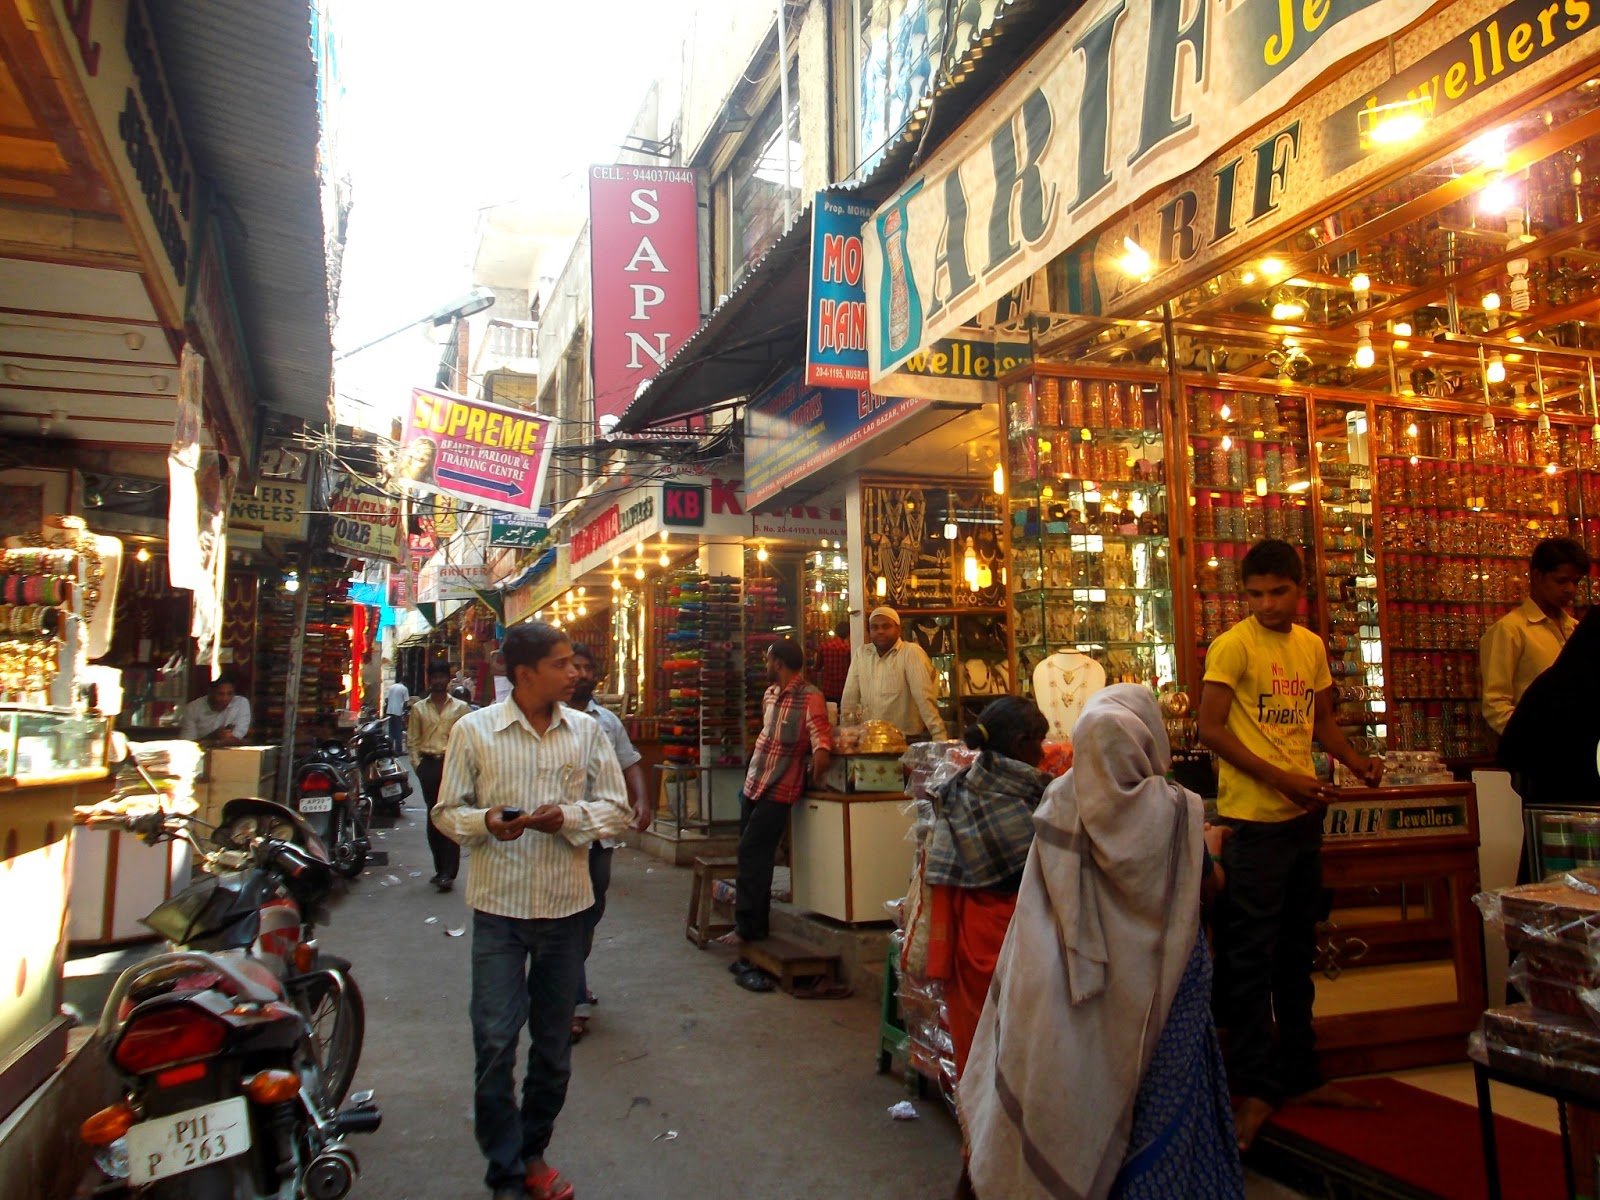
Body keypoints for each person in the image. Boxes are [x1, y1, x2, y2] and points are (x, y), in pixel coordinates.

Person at [961, 686, 1243, 1200]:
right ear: (1149, 741)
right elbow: (1209, 888)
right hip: (1166, 989)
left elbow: (1038, 903)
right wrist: (1214, 852)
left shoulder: (1059, 801)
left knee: (1083, 1099)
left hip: (1073, 989)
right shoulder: (1178, 812)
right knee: (1163, 1104)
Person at [1196, 539, 1384, 1152]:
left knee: (1297, 952)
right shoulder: (1233, 645)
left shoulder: (1310, 646)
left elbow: (1320, 720)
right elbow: (1209, 727)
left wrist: (1355, 761)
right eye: (1255, 593)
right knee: (1251, 957)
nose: (1267, 603)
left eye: (1278, 591)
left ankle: (1301, 1075)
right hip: (1253, 821)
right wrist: (1278, 778)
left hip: (1303, 817)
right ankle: (1256, 1086)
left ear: (1299, 589)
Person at [431, 623, 631, 1200]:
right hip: (499, 910)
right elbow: (447, 812)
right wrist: (487, 822)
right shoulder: (474, 731)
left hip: (566, 912)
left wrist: (567, 819)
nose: (576, 673)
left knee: (552, 1050)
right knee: (494, 1043)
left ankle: (532, 1151)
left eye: (575, 664)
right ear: (525, 675)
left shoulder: (588, 732)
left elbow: (615, 810)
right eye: (562, 664)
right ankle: (506, 1173)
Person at [923, 696, 1052, 1078]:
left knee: (979, 1050)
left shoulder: (961, 789)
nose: (1043, 754)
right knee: (1018, 1053)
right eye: (1038, 743)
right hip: (1015, 936)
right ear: (1019, 744)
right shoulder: (1038, 798)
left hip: (971, 941)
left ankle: (978, 1134)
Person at [715, 638, 832, 985]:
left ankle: (750, 928)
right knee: (749, 853)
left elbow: (820, 742)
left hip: (781, 787)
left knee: (755, 853)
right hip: (755, 781)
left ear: (778, 662)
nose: (765, 663)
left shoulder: (811, 696)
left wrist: (812, 778)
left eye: (768, 659)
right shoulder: (770, 694)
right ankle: (749, 924)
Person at [567, 643, 652, 1042]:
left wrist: (643, 800)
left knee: (593, 906)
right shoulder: (551, 716)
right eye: (574, 667)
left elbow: (629, 760)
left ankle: (567, 976)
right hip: (561, 835)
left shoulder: (605, 721)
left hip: (599, 832)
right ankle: (573, 1000)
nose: (581, 674)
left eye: (587, 667)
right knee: (570, 914)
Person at [1480, 536, 1590, 736]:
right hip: (1536, 757)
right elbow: (1495, 704)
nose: (1570, 589)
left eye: (1576, 582)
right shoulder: (1510, 630)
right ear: (1537, 576)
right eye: (1561, 580)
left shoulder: (1576, 629)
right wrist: (1533, 740)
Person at [1498, 607, 1600, 805]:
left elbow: (1514, 757)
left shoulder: (1548, 684)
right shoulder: (1563, 689)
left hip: (1549, 821)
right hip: (1575, 820)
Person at [408, 660, 473, 892]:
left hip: (451, 765)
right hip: (429, 765)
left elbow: (467, 740)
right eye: (433, 677)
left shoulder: (460, 708)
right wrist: (418, 767)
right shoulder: (419, 709)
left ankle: (449, 871)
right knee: (433, 817)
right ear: (429, 680)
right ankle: (440, 868)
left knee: (449, 815)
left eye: (441, 677)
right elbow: (413, 741)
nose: (437, 681)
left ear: (448, 679)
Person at [839, 605, 945, 739]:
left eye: (886, 626)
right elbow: (849, 698)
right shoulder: (862, 654)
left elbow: (924, 698)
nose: (880, 631)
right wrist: (847, 735)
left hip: (905, 740)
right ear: (869, 632)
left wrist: (939, 736)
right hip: (869, 740)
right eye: (875, 627)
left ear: (898, 629)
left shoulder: (911, 652)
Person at [178, 677, 251, 746]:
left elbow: (237, 738)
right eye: (220, 694)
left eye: (229, 694)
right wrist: (212, 736)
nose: (225, 698)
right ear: (210, 693)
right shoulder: (193, 708)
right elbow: (187, 744)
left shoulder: (240, 703)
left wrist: (215, 742)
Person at [815, 618, 853, 705]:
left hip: (828, 690)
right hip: (844, 689)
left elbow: (817, 667)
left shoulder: (823, 647)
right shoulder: (848, 649)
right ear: (848, 634)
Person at [384, 676, 410, 755]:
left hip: (390, 711)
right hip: (397, 712)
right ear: (406, 683)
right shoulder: (404, 689)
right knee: (398, 731)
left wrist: (389, 706)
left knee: (391, 731)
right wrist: (404, 711)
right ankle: (398, 751)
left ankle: (390, 749)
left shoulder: (392, 686)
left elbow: (386, 699)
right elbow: (406, 702)